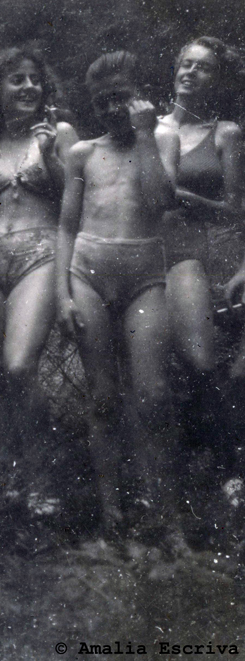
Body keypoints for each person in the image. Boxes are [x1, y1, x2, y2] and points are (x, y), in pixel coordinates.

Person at [55, 52, 183, 546]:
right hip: (88, 271)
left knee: (154, 394)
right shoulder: (82, 153)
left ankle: (167, 517)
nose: (113, 109)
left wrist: (146, 134)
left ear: (141, 97)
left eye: (122, 98)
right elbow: (67, 226)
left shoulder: (162, 139)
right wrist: (62, 293)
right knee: (104, 397)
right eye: (102, 101)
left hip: (144, 272)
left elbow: (159, 201)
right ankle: (112, 516)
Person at [0, 48, 77, 485]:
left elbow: (79, 197)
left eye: (35, 79)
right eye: (17, 79)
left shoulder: (60, 133)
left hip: (40, 252)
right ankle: (7, 476)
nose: (29, 86)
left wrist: (49, 156)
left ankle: (41, 477)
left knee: (19, 366)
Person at [158, 37, 243, 447]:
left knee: (214, 362)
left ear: (218, 80)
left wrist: (184, 197)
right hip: (156, 251)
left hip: (208, 248)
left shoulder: (225, 133)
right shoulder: (150, 129)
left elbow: (235, 209)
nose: (191, 72)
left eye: (204, 67)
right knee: (183, 366)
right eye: (186, 64)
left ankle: (225, 454)